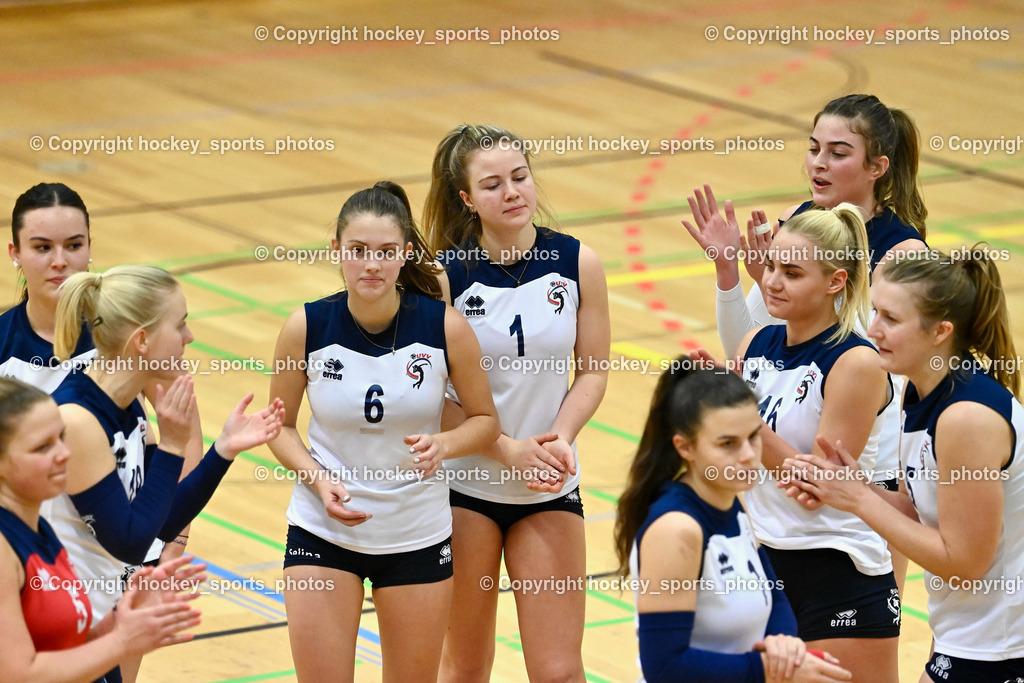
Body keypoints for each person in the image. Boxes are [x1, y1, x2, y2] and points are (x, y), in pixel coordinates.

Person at [684, 93, 928, 588]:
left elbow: (872, 360)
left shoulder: (902, 250)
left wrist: (799, 297)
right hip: (781, 454)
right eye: (814, 148)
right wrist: (734, 275)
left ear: (877, 165)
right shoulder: (801, 222)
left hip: (860, 467)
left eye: (838, 153)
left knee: (863, 644)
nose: (819, 163)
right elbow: (753, 349)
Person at [268, 181, 499, 682]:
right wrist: (317, 478)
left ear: (406, 254)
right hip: (322, 530)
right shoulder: (305, 327)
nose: (371, 264)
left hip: (415, 534)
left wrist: (445, 443)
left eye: (386, 252)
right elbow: (279, 427)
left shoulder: (446, 328)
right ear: (337, 252)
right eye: (358, 251)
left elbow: (485, 422)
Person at [423, 124, 610, 682]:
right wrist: (506, 450)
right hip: (465, 490)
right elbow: (431, 392)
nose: (512, 192)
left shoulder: (578, 263)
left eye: (520, 177)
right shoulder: (444, 278)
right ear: (466, 199)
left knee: (558, 671)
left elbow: (594, 372)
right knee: (466, 667)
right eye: (492, 184)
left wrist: (560, 439)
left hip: (548, 487)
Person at [784, 247, 1024, 682]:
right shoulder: (920, 393)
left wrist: (859, 501)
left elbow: (965, 561)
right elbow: (925, 514)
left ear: (941, 332)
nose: (873, 329)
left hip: (1005, 644)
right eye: (875, 312)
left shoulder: (966, 417)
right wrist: (857, 486)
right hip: (970, 634)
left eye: (891, 319)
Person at [45, 264, 284, 680]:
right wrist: (172, 446)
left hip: (97, 619)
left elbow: (161, 518)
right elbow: (132, 543)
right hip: (60, 629)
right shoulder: (79, 419)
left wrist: (223, 450)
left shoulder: (126, 405)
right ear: (142, 340)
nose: (189, 337)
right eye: (181, 325)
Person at [710, 204, 899, 682]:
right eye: (771, 265)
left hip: (835, 572)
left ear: (835, 281)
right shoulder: (754, 343)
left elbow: (818, 490)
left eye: (792, 273)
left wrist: (744, 419)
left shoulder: (856, 362)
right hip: (758, 561)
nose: (772, 281)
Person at [613, 363, 851, 682]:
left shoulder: (731, 501)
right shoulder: (677, 529)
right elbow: (664, 667)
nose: (748, 455)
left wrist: (784, 644)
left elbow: (774, 592)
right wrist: (767, 670)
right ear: (685, 447)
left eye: (753, 437)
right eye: (728, 444)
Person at [0, 377, 205, 683]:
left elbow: (61, 646)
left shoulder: (40, 527)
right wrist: (121, 642)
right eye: (42, 447)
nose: (64, 454)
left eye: (61, 438)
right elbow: (20, 675)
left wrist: (123, 619)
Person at [2, 183, 96, 391]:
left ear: (89, 246)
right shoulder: (3, 345)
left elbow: (177, 417)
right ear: (15, 253)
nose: (59, 261)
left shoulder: (127, 331)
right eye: (43, 247)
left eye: (74, 245)